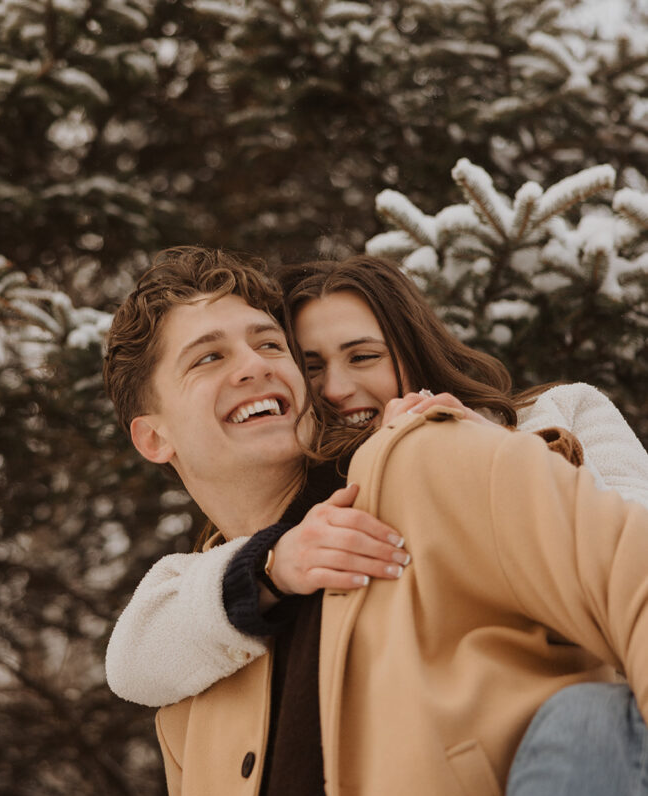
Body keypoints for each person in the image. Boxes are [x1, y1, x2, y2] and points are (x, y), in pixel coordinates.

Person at [103, 246, 648, 796]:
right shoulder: (200, 646)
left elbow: (631, 580)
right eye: (209, 357)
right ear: (154, 438)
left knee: (598, 716)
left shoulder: (430, 457)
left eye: (266, 344)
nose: (258, 367)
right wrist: (267, 567)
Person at [105, 254, 648, 706]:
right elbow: (132, 659)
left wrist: (485, 454)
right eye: (310, 365)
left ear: (415, 351)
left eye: (364, 356)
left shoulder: (555, 415)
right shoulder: (282, 535)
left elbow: (627, 544)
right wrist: (270, 568)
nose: (336, 389)